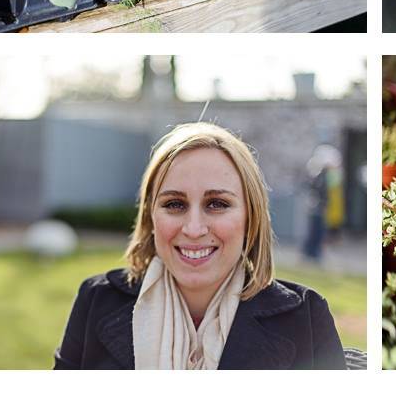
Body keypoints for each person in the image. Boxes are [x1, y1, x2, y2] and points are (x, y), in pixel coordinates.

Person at [54, 122, 346, 369]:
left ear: (251, 217)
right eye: (175, 204)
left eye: (217, 204)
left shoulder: (306, 318)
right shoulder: (95, 301)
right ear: (150, 216)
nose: (193, 229)